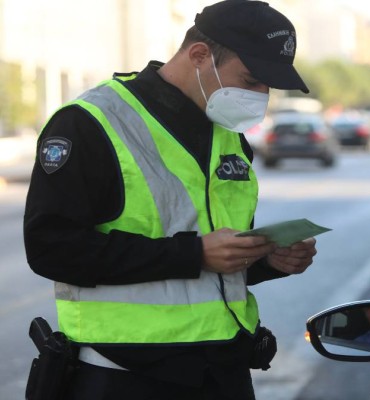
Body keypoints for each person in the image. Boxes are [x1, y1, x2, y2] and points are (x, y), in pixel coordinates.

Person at [23, 1, 316, 399]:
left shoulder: (227, 134)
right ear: (199, 56)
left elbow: (215, 256)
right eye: (250, 80)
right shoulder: (90, 122)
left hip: (222, 369)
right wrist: (193, 255)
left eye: (268, 85)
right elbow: (51, 249)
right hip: (125, 374)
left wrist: (265, 260)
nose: (260, 95)